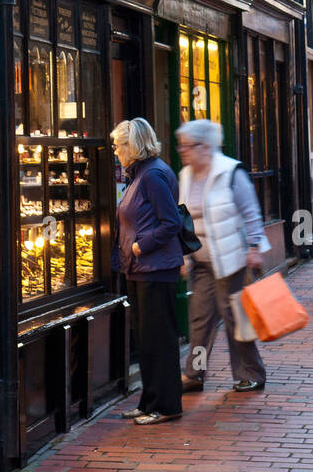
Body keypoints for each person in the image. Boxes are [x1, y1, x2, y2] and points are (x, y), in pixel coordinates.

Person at [176, 119, 267, 394]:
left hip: (231, 260)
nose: (182, 151)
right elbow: (183, 218)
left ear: (204, 147)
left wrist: (254, 247)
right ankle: (195, 374)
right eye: (181, 146)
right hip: (202, 261)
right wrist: (183, 254)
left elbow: (251, 213)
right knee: (200, 320)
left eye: (187, 146)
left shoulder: (231, 172)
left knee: (235, 319)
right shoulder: (186, 175)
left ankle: (250, 373)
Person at [111, 117, 184, 425]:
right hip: (140, 270)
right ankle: (148, 402)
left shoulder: (152, 175)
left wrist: (142, 245)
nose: (115, 151)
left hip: (155, 269)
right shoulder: (140, 173)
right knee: (146, 340)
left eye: (118, 145)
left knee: (159, 339)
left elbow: (172, 222)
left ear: (133, 145)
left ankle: (166, 406)